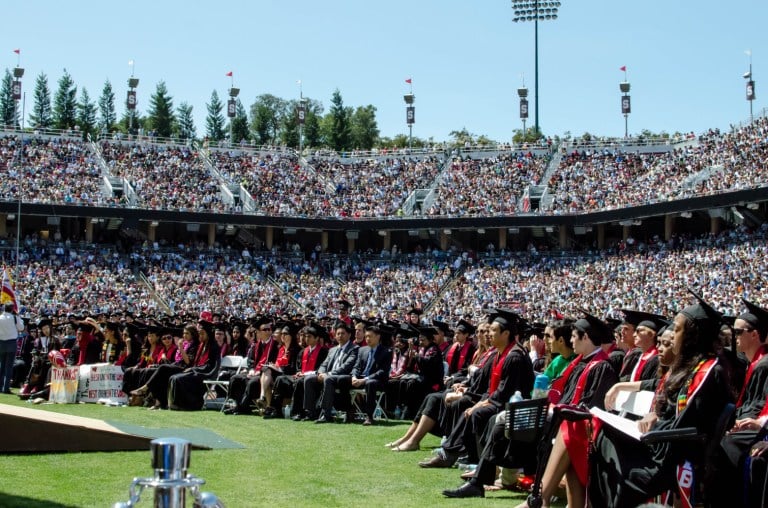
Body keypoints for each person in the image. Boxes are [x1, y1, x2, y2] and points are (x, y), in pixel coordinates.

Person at [587, 292, 732, 508]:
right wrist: (654, 414)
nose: (673, 335)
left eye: (678, 329)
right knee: (603, 436)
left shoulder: (708, 371)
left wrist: (655, 423)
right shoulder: (689, 366)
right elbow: (669, 403)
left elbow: (690, 423)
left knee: (610, 445)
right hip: (661, 443)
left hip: (671, 456)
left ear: (693, 336)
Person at [422, 308, 535, 471]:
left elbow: (505, 393)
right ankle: (451, 452)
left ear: (506, 334)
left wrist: (480, 404)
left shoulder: (515, 356)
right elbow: (493, 389)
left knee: (476, 412)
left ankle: (463, 458)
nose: (489, 334)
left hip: (512, 404)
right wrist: (481, 401)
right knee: (471, 409)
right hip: (499, 399)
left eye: (493, 330)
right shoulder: (502, 353)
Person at [710, 298, 768, 507]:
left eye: (738, 332)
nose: (733, 337)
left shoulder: (764, 364)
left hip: (761, 426)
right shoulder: (755, 363)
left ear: (754, 334)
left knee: (727, 444)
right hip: (756, 422)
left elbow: (759, 406)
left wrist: (741, 421)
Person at [130, 324, 199, 410]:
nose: (184, 335)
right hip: (177, 365)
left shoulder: (194, 345)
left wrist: (180, 348)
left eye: (187, 333)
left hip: (185, 368)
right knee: (154, 371)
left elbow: (188, 361)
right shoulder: (184, 343)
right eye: (184, 333)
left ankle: (144, 389)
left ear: (193, 334)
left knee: (163, 368)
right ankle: (158, 402)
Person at [302, 320, 358, 423]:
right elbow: (324, 364)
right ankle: (310, 412)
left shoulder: (354, 349)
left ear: (349, 335)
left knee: (328, 379)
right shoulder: (332, 350)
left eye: (343, 333)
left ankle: (325, 414)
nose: (340, 336)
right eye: (338, 334)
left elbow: (347, 366)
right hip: (328, 376)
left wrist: (328, 374)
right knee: (309, 379)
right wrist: (320, 373)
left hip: (343, 377)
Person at [224, 317, 279, 415]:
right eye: (265, 329)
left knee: (252, 382)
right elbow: (251, 361)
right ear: (259, 332)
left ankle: (242, 407)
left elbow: (274, 362)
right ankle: (236, 404)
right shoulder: (256, 346)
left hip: (266, 374)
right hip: (255, 371)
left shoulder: (276, 345)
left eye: (269, 329)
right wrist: (251, 369)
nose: (268, 331)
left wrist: (259, 371)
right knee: (236, 378)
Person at [168, 319, 220, 410]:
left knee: (180, 378)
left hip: (206, 373)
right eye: (199, 333)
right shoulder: (202, 345)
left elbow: (210, 366)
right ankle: (175, 403)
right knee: (174, 377)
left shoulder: (213, 347)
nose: (200, 336)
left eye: (202, 333)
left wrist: (193, 369)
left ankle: (190, 405)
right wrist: (193, 369)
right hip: (198, 371)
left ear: (208, 334)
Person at [350, 323, 393, 425]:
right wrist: (354, 377)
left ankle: (369, 416)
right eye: (366, 337)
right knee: (341, 379)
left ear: (378, 337)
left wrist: (364, 379)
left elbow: (382, 371)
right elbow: (357, 367)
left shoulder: (386, 351)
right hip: (360, 379)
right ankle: (348, 411)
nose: (367, 339)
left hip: (377, 381)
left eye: (370, 336)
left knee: (370, 383)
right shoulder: (362, 350)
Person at [283, 324, 328, 420]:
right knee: (280, 379)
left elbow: (321, 368)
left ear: (316, 338)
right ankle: (275, 409)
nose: (306, 339)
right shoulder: (303, 351)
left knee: (300, 382)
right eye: (306, 336)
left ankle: (298, 412)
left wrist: (304, 374)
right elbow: (299, 367)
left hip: (314, 378)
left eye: (309, 337)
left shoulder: (323, 352)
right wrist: (299, 372)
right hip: (302, 376)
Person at [259, 322, 301, 418]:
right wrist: (275, 366)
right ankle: (266, 401)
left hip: (288, 376)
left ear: (291, 336)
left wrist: (278, 368)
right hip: (278, 374)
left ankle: (270, 407)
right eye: (281, 334)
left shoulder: (296, 350)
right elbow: (278, 364)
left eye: (285, 334)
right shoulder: (281, 348)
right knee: (266, 370)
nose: (283, 336)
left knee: (269, 373)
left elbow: (293, 368)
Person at [0, 304, 25, 394]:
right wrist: (18, 317)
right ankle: (6, 388)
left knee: (1, 365)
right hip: (11, 342)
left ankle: (0, 386)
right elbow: (21, 328)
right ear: (12, 309)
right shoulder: (14, 318)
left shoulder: (0, 317)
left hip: (1, 342)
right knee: (9, 366)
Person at [444, 319, 476, 387]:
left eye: (459, 333)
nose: (456, 335)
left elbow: (466, 368)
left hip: (460, 377)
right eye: (455, 333)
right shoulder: (452, 347)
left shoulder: (471, 349)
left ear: (466, 335)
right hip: (449, 375)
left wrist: (452, 376)